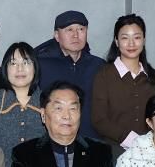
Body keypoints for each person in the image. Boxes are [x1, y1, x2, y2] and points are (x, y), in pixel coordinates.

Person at [91, 14, 155, 156]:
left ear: (144, 40)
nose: (131, 44)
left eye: (137, 37)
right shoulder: (103, 75)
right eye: (125, 38)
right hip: (114, 152)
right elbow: (99, 120)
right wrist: (132, 140)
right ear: (116, 41)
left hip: (150, 152)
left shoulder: (154, 77)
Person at [35, 10, 104, 139]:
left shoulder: (99, 66)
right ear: (57, 35)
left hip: (92, 141)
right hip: (52, 141)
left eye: (81, 29)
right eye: (69, 30)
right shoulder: (40, 65)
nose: (76, 35)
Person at [0, 42, 45, 167]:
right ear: (5, 69)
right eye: (13, 63)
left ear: (35, 68)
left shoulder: (48, 101)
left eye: (26, 62)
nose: (20, 69)